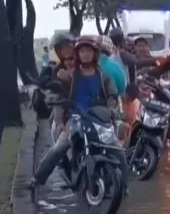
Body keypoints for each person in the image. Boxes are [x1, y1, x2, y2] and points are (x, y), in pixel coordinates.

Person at [30, 36, 119, 187]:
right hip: (76, 120)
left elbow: (112, 97)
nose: (85, 54)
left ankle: (123, 185)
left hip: (99, 121)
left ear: (95, 53)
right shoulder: (69, 76)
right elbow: (57, 94)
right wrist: (56, 107)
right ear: (78, 54)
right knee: (59, 148)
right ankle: (37, 179)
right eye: (82, 51)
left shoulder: (103, 76)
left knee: (118, 150)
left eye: (88, 51)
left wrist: (111, 111)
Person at [107, 28, 159, 140]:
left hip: (120, 90)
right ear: (122, 40)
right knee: (134, 119)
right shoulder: (122, 53)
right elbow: (137, 62)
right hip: (127, 91)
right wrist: (156, 61)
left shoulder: (112, 54)